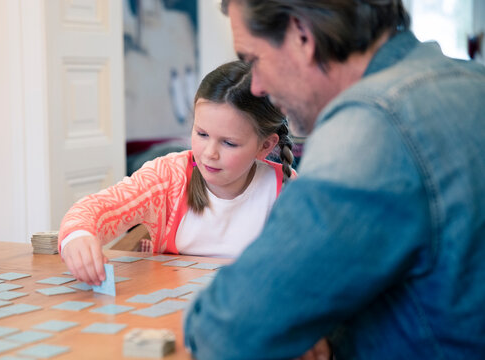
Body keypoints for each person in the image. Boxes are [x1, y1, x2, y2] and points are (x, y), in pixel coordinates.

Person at [184, 1, 485, 359]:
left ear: (301, 35)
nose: (258, 87)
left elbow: (226, 331)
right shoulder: (470, 83)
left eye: (253, 61)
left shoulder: (371, 124)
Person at [58, 60, 295, 286]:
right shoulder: (167, 176)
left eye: (229, 143)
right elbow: (97, 208)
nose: (209, 153)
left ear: (265, 146)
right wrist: (77, 237)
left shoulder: (286, 188)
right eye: (202, 134)